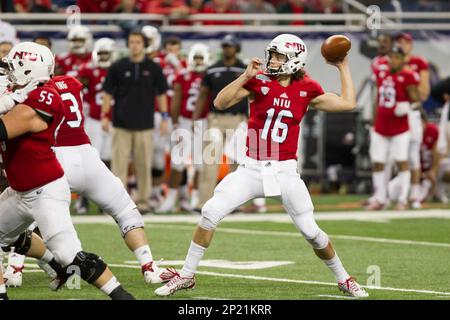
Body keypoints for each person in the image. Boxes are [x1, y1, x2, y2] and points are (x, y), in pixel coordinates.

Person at [155, 34, 368, 298]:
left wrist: (342, 67)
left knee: (312, 232)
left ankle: (344, 278)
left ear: (294, 60)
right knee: (210, 212)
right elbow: (220, 102)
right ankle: (186, 275)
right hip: (251, 167)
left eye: (278, 56)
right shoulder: (258, 81)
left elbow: (348, 103)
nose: (272, 60)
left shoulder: (308, 88)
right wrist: (245, 76)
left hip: (285, 171)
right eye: (273, 54)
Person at [0, 42, 134, 300]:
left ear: (30, 71)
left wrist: (7, 100)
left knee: (71, 257)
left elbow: (4, 128)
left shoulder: (43, 97)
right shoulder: (22, 91)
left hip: (45, 190)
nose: (8, 72)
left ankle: (121, 296)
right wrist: (8, 98)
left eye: (14, 66)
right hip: (19, 191)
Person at [102, 30, 169, 213]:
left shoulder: (154, 68)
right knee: (119, 166)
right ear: (128, 44)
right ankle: (117, 202)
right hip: (121, 124)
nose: (134, 45)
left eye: (138, 42)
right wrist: (104, 115)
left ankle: (144, 201)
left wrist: (164, 117)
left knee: (143, 165)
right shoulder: (118, 66)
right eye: (131, 42)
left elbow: (161, 93)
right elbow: (108, 93)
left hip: (145, 125)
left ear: (144, 44)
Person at [192, 34, 248, 213]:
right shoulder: (212, 69)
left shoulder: (244, 68)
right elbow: (203, 95)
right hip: (216, 119)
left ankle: (235, 203)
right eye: (224, 46)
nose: (227, 49)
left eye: (230, 46)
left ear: (236, 48)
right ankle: (204, 202)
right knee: (209, 160)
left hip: (238, 118)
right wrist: (196, 117)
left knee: (237, 162)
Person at [157, 43, 210, 213]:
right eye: (196, 57)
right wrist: (175, 122)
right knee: (177, 162)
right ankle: (171, 198)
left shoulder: (210, 75)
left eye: (201, 58)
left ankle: (195, 196)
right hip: (184, 121)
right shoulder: (183, 75)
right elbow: (177, 100)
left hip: (203, 122)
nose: (198, 61)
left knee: (200, 163)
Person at [366, 46, 421, 211]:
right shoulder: (382, 73)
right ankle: (379, 198)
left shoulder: (408, 76)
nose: (394, 60)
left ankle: (403, 199)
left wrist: (408, 106)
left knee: (401, 161)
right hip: (381, 126)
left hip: (400, 128)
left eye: (397, 57)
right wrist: (374, 122)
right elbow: (377, 98)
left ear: (403, 59)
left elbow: (417, 101)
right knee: (378, 162)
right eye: (392, 57)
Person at [395, 32, 430, 209]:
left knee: (413, 156)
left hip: (412, 113)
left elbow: (424, 93)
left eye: (404, 42)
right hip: (395, 113)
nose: (401, 45)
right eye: (399, 42)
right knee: (397, 156)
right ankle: (399, 195)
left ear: (410, 44)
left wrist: (408, 78)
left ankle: (415, 196)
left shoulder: (418, 63)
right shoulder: (391, 63)